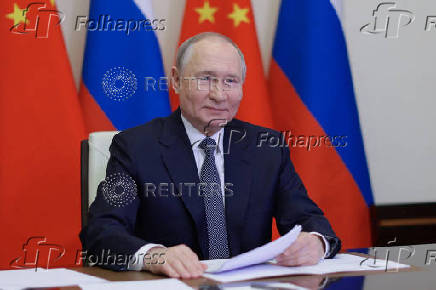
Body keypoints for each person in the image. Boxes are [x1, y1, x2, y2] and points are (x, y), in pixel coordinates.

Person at [80, 32, 341, 279]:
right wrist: (154, 256)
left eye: (230, 81)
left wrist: (316, 242)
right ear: (176, 79)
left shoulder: (267, 147)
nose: (218, 95)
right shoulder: (136, 147)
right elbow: (101, 231)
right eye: (205, 79)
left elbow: (308, 219)